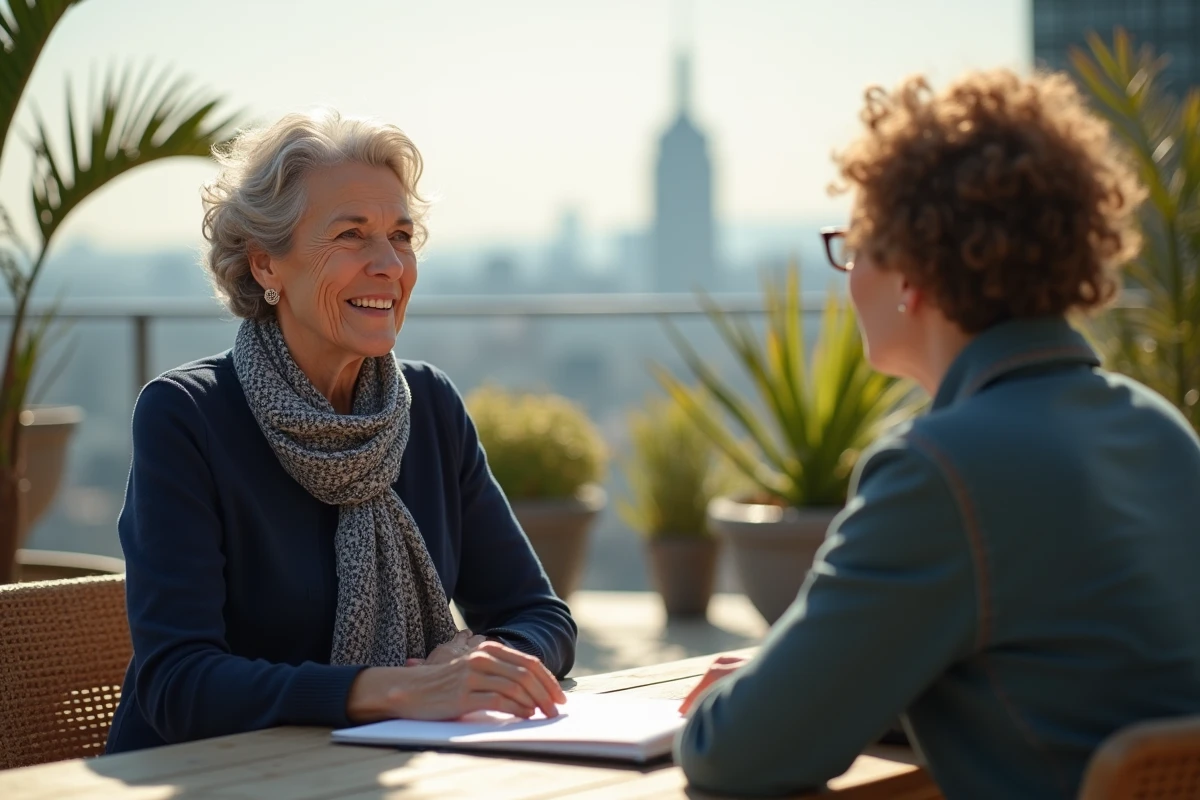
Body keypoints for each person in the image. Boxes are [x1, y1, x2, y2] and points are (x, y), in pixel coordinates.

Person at [674, 69, 1200, 799]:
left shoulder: (939, 471)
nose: (849, 276)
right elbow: (1064, 688)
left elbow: (734, 756)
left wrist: (754, 702)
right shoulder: (1161, 431)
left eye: (854, 246)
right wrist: (839, 689)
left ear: (912, 274)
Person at [106, 109, 574, 754]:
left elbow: (541, 617)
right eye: (351, 235)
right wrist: (394, 690)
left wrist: (481, 660)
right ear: (266, 264)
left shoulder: (430, 407)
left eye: (402, 236)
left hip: (377, 772)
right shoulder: (186, 417)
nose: (388, 265)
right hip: (203, 781)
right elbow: (179, 684)